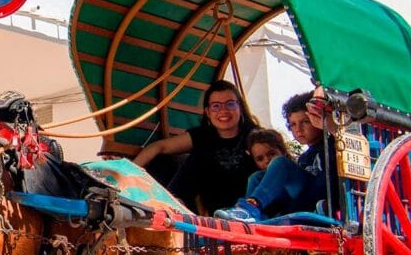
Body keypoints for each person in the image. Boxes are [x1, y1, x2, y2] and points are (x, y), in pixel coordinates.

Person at [133, 79, 259, 215]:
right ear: (208, 112)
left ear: (240, 107)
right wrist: (127, 171)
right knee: (188, 158)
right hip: (217, 212)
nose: (223, 111)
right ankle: (171, 207)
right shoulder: (202, 136)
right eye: (216, 106)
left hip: (250, 210)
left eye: (230, 104)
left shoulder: (255, 136)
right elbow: (159, 147)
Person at [214, 89, 334, 223]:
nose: (298, 129)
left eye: (305, 122)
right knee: (257, 176)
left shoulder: (331, 146)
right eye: (293, 124)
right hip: (299, 199)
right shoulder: (304, 158)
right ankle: (250, 214)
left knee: (281, 163)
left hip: (318, 197)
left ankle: (251, 208)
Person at [245, 127, 289, 196]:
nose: (267, 160)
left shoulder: (294, 172)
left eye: (272, 154)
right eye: (260, 159)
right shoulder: (258, 179)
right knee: (255, 177)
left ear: (283, 152)